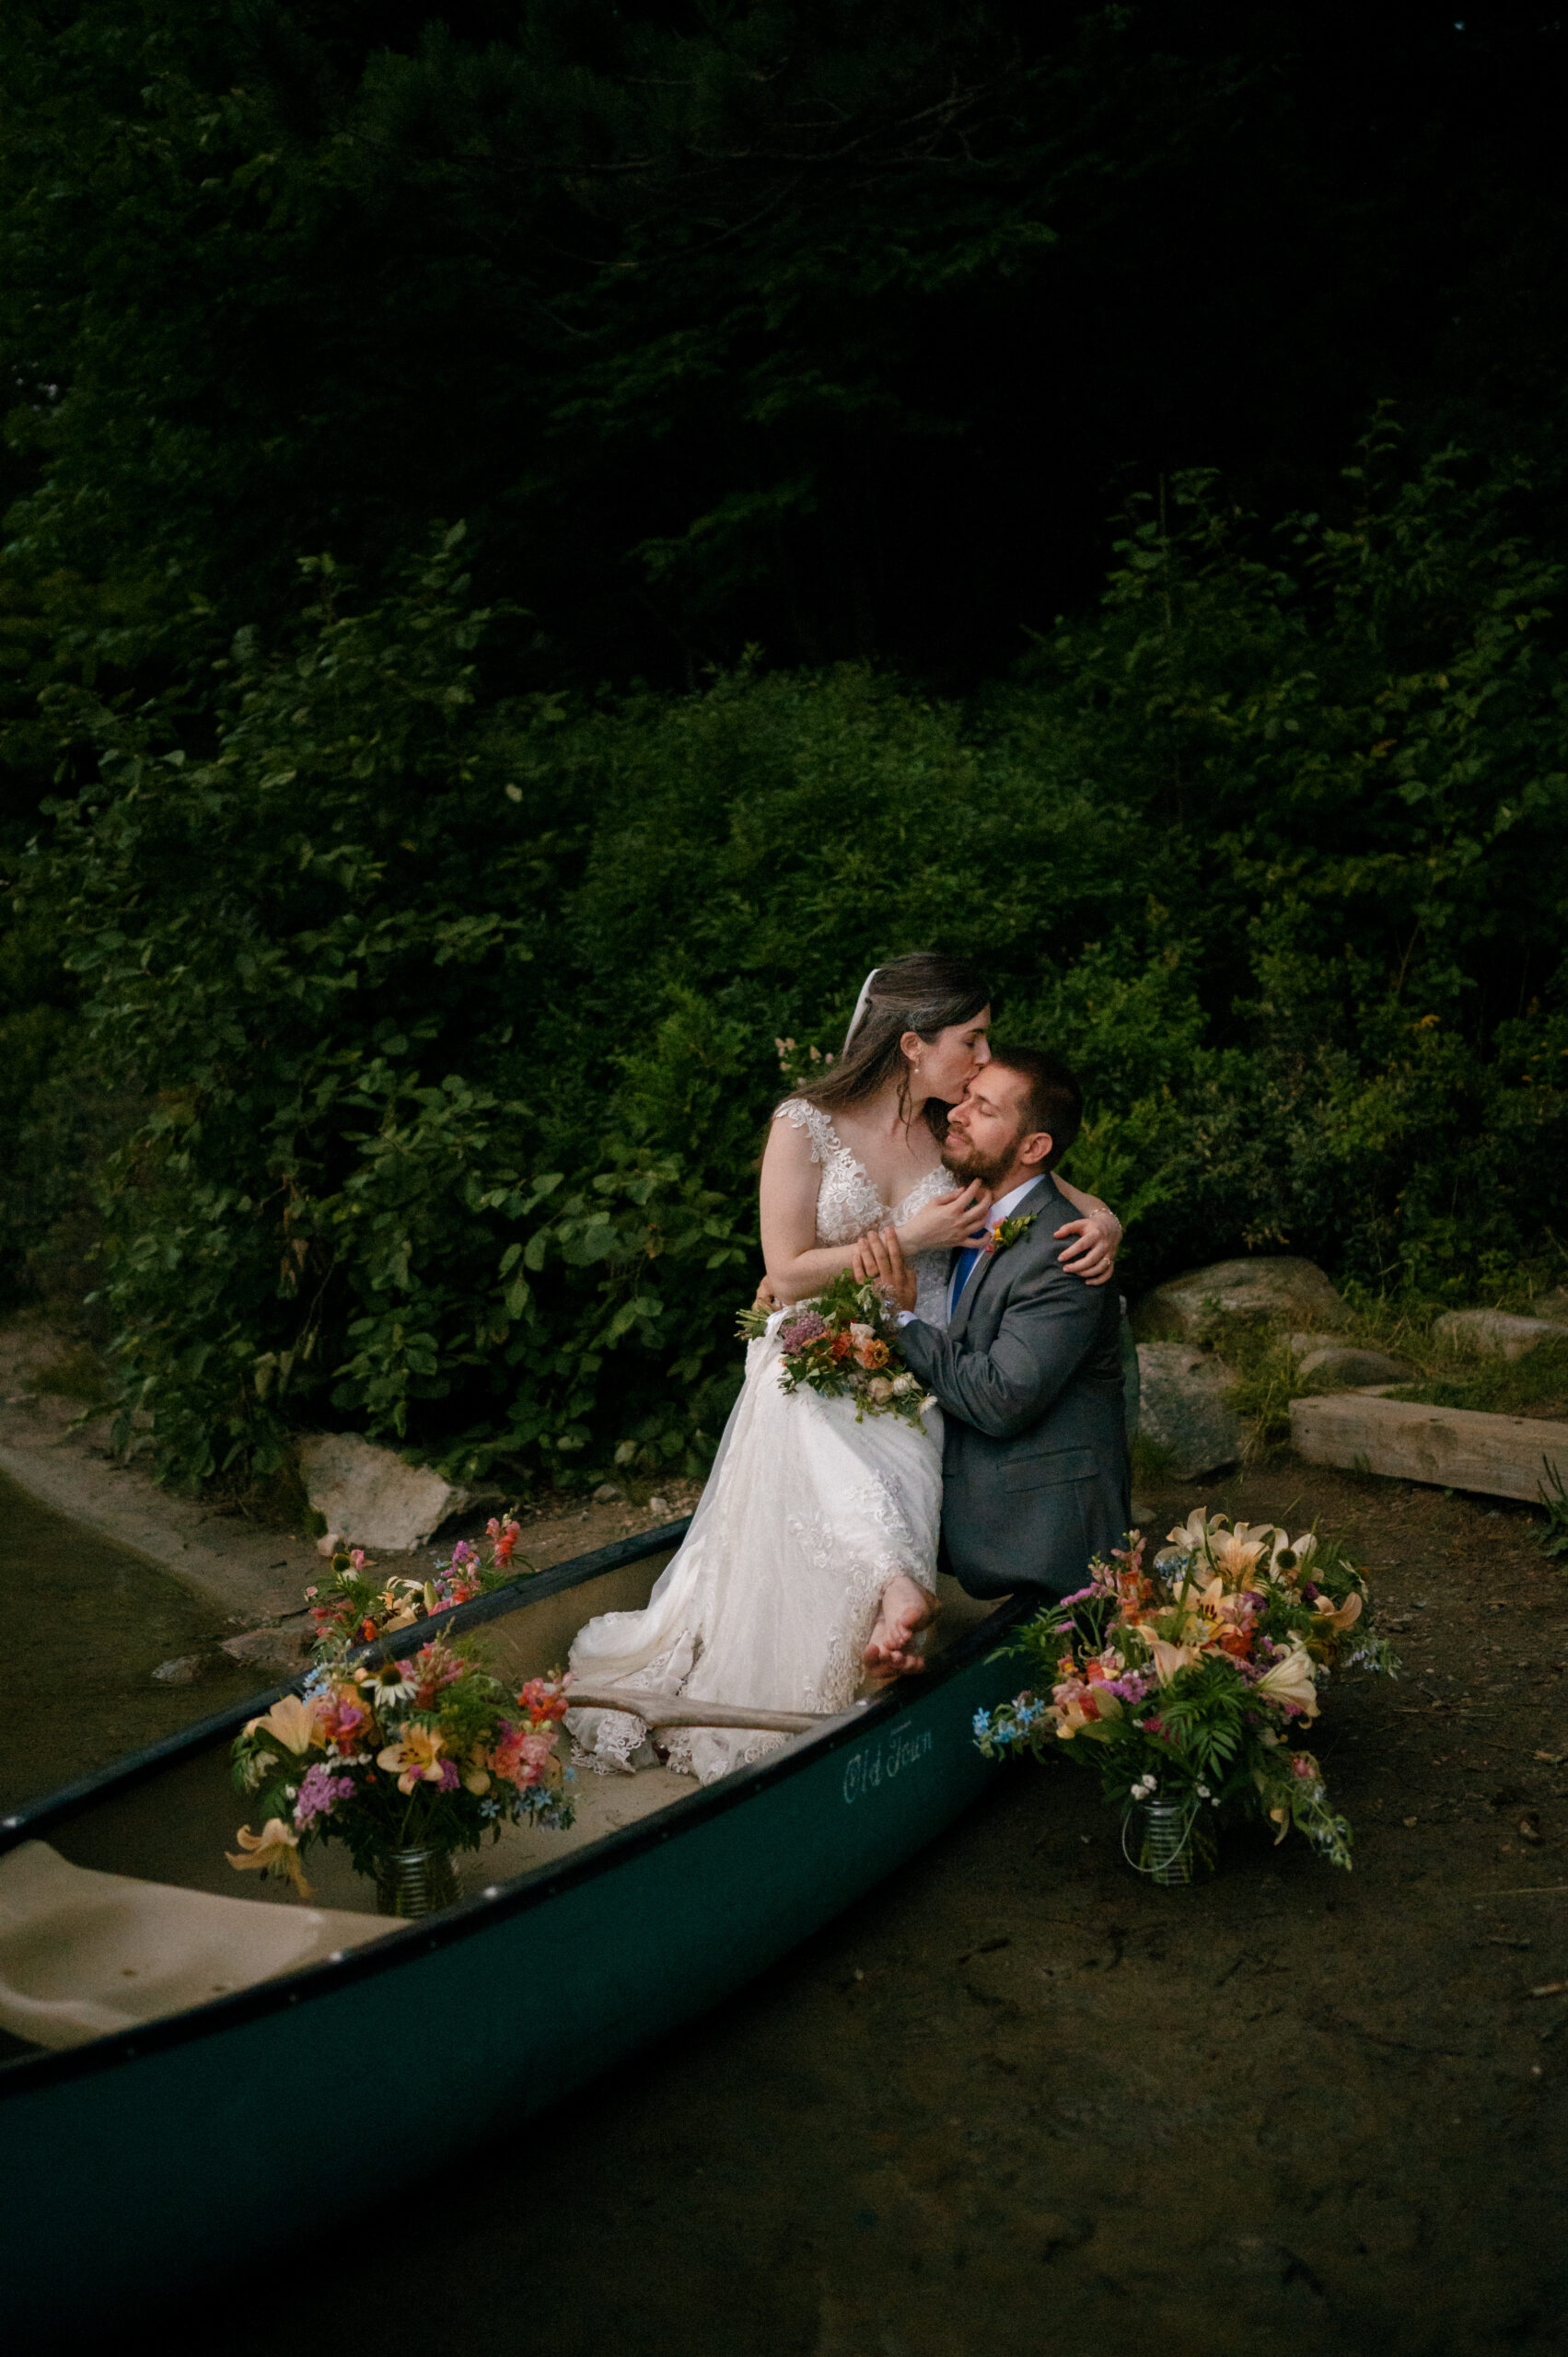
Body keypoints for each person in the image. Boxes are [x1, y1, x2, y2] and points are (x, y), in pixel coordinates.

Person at [565, 956, 1121, 1784]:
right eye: (970, 1040)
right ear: (910, 1044)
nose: (980, 1060)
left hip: (919, 1349)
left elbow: (1039, 1175)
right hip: (821, 1330)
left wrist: (1106, 1218)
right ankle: (895, 1588)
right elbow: (785, 1271)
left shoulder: (951, 1125)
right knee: (809, 1399)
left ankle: (886, 1613)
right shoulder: (805, 1123)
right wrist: (913, 1242)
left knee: (876, 1417)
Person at [852, 1047, 1130, 1603]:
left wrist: (898, 1318)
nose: (957, 1112)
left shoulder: (1063, 1250)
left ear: (1033, 1148)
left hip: (1042, 1545)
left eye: (983, 1108)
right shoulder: (969, 1215)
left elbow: (1001, 1397)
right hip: (965, 1520)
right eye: (966, 1099)